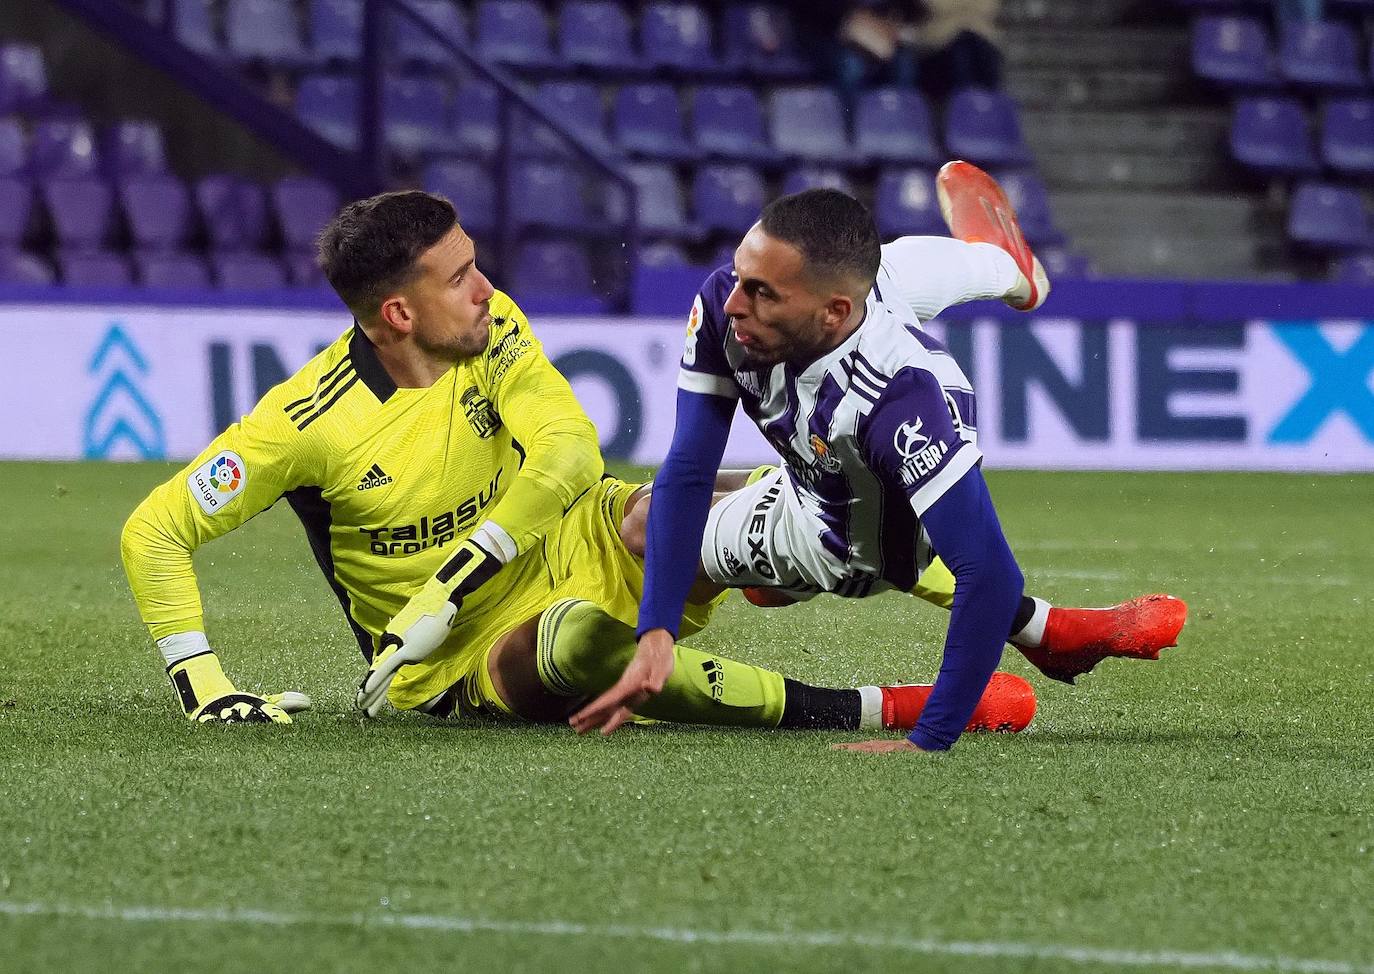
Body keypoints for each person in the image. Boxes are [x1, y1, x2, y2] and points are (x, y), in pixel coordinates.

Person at [119, 189, 1035, 735]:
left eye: (475, 265)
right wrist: (204, 682)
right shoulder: (305, 423)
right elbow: (153, 530)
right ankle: (884, 706)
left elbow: (566, 452)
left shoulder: (491, 327)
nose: (485, 288)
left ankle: (1036, 623)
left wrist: (457, 568)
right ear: (398, 315)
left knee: (765, 494)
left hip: (571, 534)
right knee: (575, 645)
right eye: (457, 279)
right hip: (460, 657)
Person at [570, 163, 1187, 751]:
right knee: (929, 267)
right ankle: (1012, 268)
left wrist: (933, 737)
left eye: (761, 293)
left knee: (645, 523)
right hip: (828, 446)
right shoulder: (746, 301)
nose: (734, 305)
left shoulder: (899, 406)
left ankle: (791, 583)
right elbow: (689, 465)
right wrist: (658, 632)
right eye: (739, 276)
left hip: (843, 540)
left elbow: (990, 576)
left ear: (835, 311)